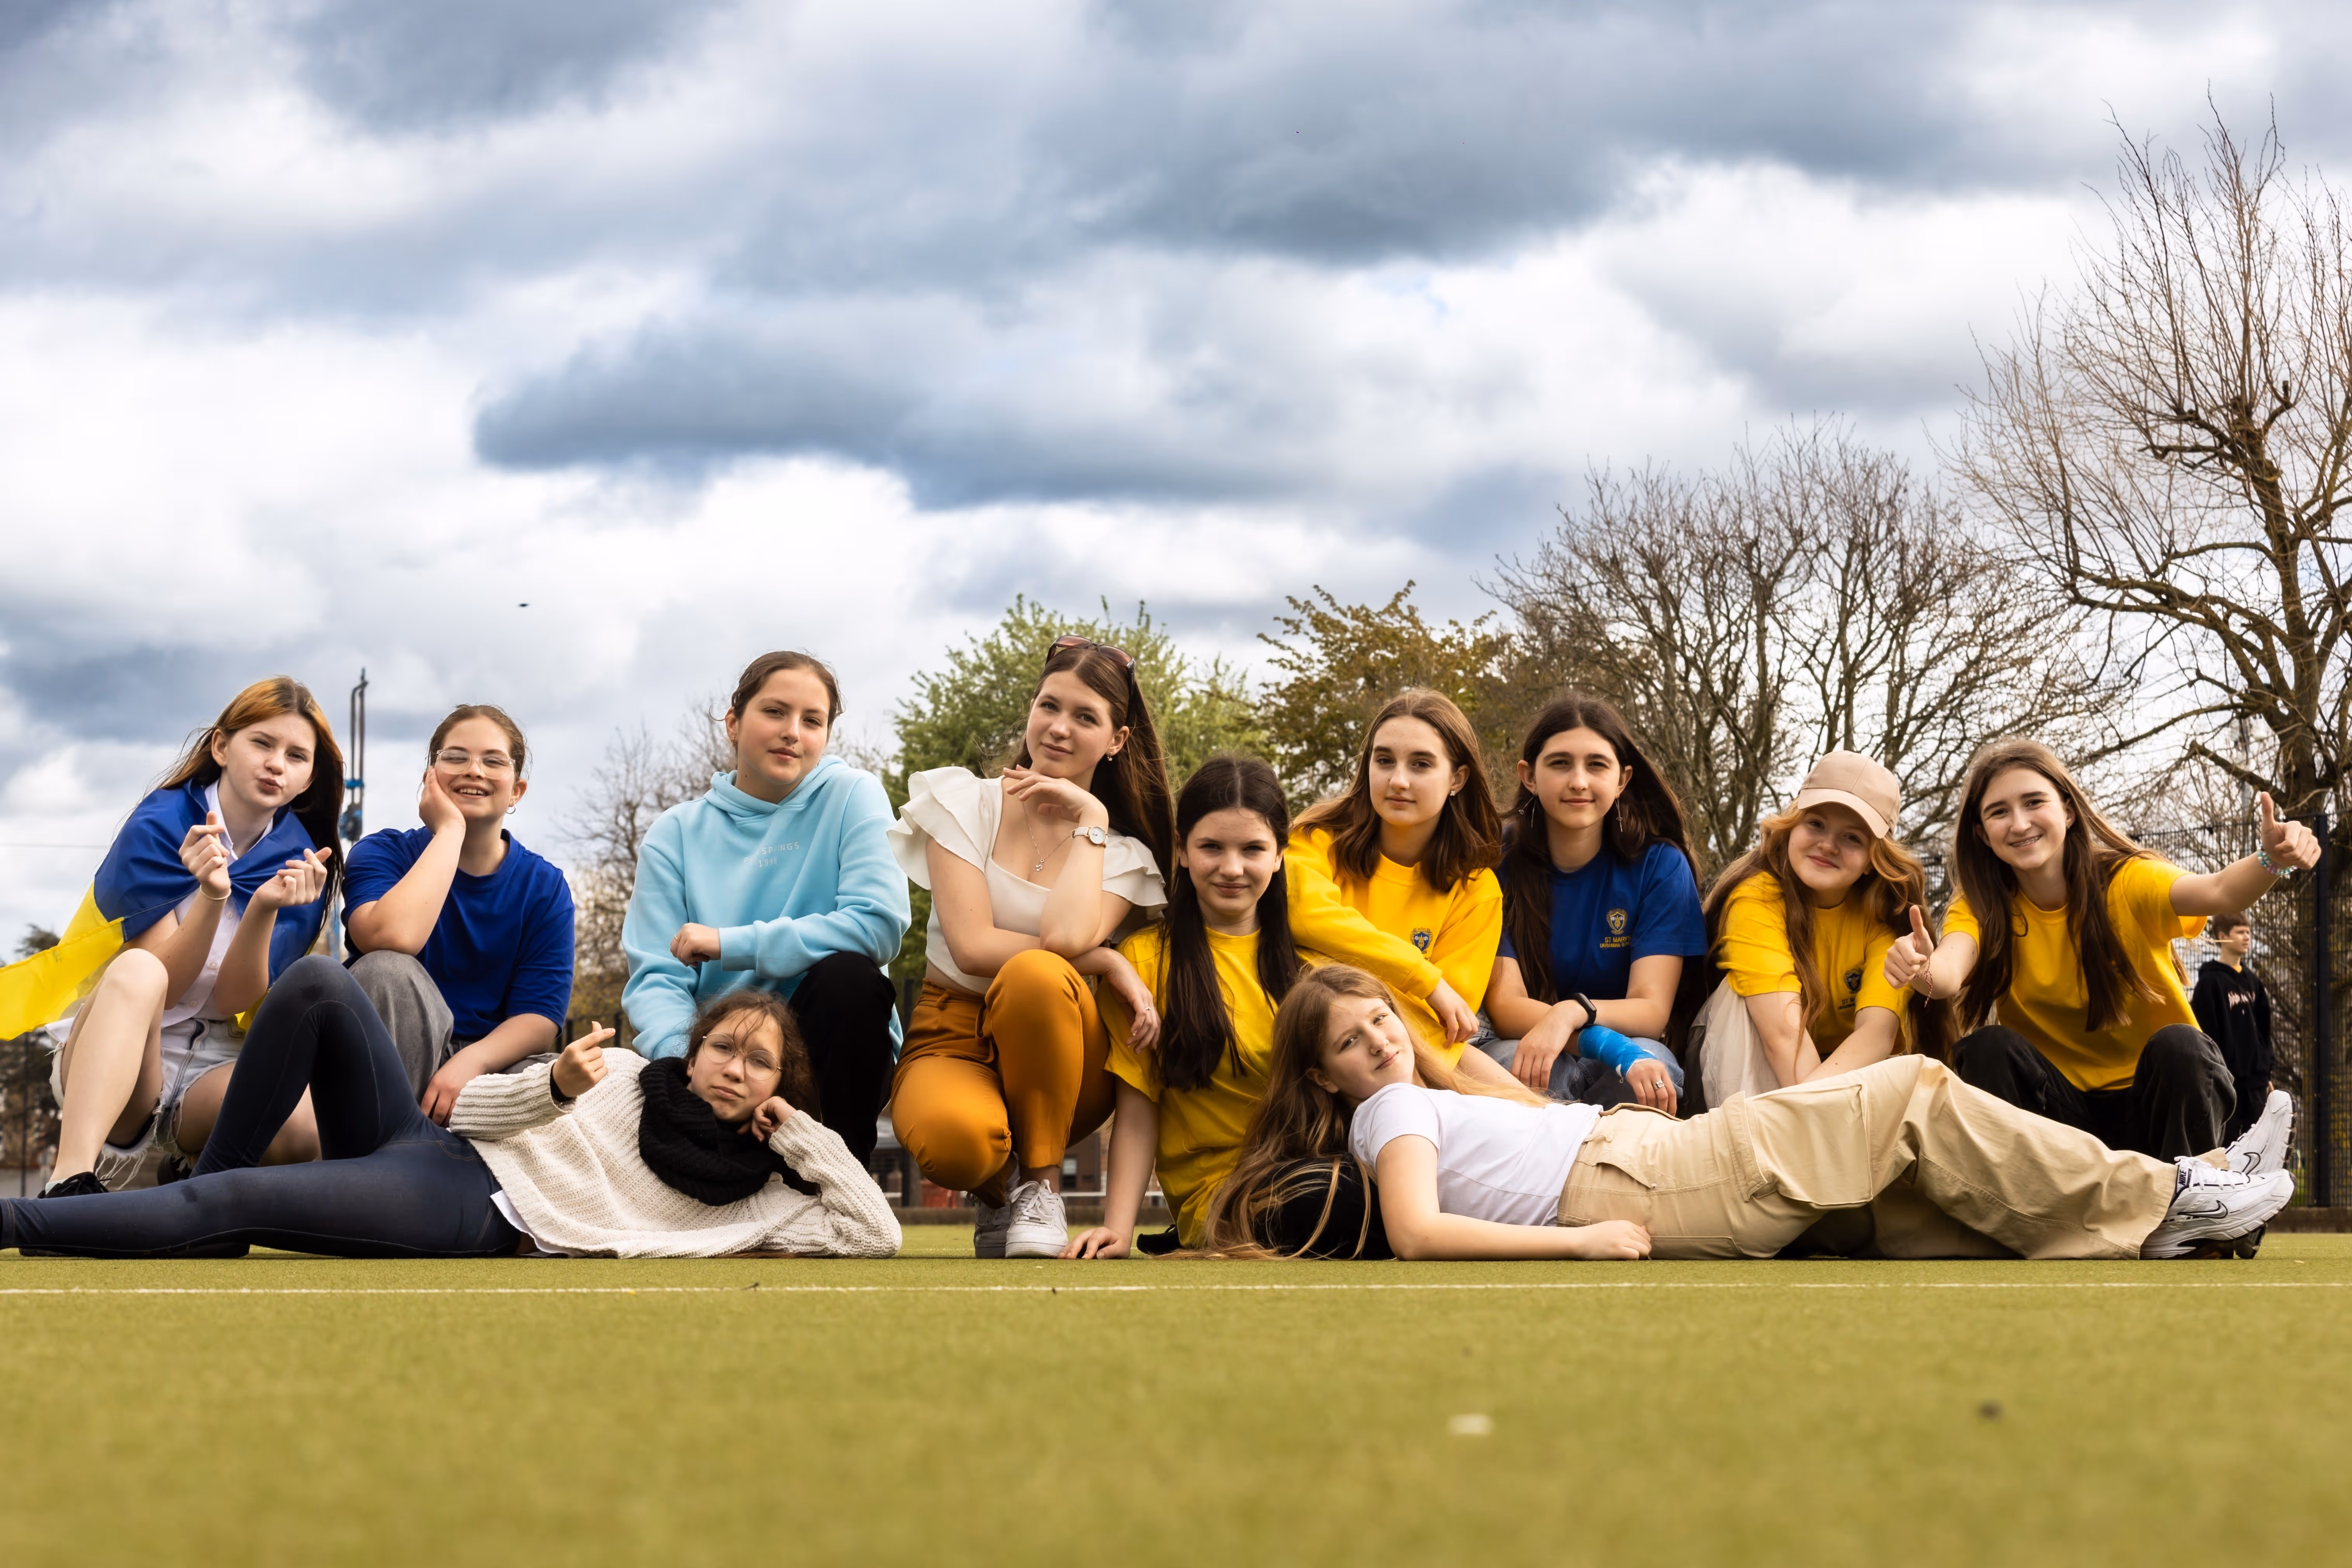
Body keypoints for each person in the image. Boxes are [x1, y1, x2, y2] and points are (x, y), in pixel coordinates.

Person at [1200, 963, 2294, 1262]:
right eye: (1348, 1042)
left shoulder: (1423, 1084)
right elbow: (1413, 1231)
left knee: (1913, 1201)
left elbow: (1505, 1095)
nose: (1378, 1042)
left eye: (1378, 1020)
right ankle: (2178, 1187)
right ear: (1324, 1077)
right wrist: (1578, 1242)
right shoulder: (1387, 1111)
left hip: (1648, 1157)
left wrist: (1433, 1041)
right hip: (1628, 1180)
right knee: (1910, 1089)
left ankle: (2171, 1224)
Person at [2, 957, 899, 1259]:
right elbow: (468, 1112)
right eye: (724, 1047)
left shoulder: (761, 1195)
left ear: (778, 1086)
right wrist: (554, 1086)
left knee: (228, 1199)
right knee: (315, 983)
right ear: (694, 1051)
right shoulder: (626, 1072)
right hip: (438, 1149)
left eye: (758, 1061)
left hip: (479, 1210)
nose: (735, 1067)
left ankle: (19, 1223)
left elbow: (876, 1233)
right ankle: (215, 1211)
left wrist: (803, 1136)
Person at [1883, 738, 2317, 1162]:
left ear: (2068, 810)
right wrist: (1920, 967)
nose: (2018, 823)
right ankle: (2020, 1203)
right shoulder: (1980, 905)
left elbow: (2220, 891)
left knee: (2182, 1047)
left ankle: (2195, 1192)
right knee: (1986, 1050)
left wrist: (2272, 858)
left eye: (2033, 802)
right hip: (2060, 1120)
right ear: (1981, 834)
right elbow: (1947, 971)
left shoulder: (2127, 880)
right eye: (1998, 812)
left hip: (2158, 1109)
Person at [887, 635, 1173, 1257]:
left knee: (1039, 973)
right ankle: (1000, 1190)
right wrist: (1104, 959)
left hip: (1059, 1049)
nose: (1059, 728)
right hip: (953, 1028)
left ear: (1117, 739)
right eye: (1049, 705)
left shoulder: (1123, 854)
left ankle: (1041, 1188)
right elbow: (971, 946)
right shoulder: (964, 802)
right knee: (956, 1144)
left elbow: (1061, 940)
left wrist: (1091, 820)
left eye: (1085, 717)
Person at [38, 678, 341, 1196]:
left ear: (309, 777)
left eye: (296, 756)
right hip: (124, 1048)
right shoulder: (159, 826)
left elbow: (232, 998)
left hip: (213, 1061)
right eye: (262, 743)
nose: (276, 764)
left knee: (303, 1129)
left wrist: (263, 907)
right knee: (139, 969)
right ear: (221, 746)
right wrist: (211, 896)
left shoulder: (302, 858)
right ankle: (67, 1181)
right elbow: (163, 985)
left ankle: (192, 1171)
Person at [624, 652, 909, 1164]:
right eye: (775, 712)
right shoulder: (675, 833)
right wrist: (691, 1065)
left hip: (827, 1049)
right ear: (733, 723)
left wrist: (729, 943)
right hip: (720, 1064)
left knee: (851, 976)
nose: (792, 732)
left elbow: (877, 925)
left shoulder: (853, 795)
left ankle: (836, 1179)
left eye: (812, 720)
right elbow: (656, 978)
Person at [1063, 754, 1313, 1258]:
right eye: (1211, 847)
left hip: (1317, 1170)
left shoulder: (1312, 965)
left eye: (1252, 849)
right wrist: (1118, 1229)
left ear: (1279, 855)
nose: (1231, 868)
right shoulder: (1143, 963)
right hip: (1223, 1199)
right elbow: (1138, 1110)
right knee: (1338, 1200)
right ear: (1180, 850)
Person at [1478, 694, 1705, 1113]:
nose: (1579, 781)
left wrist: (1571, 1013)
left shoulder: (1660, 864)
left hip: (1629, 1046)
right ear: (1528, 776)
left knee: (1654, 1070)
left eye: (1596, 765)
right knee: (1512, 1064)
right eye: (1560, 763)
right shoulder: (1495, 861)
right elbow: (1506, 1007)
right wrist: (1588, 1036)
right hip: (1528, 1042)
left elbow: (1651, 1009)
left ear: (1622, 780)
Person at [344, 704, 576, 1115]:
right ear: (430, 777)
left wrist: (471, 1062)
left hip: (489, 1064)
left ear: (516, 791)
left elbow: (539, 1015)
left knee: (569, 1083)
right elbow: (388, 938)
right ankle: (389, 1138)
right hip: (389, 1055)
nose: (473, 770)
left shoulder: (545, 886)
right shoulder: (383, 853)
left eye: (493, 761)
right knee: (386, 968)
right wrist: (451, 830)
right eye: (455, 757)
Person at [1694, 751, 1943, 1108]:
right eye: (1815, 824)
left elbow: (1875, 1034)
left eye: (1852, 837)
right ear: (1792, 825)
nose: (1828, 845)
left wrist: (1814, 1112)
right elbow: (1782, 1036)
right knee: (1738, 998)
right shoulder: (1756, 897)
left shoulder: (1884, 921)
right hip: (1744, 1069)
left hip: (1828, 1077)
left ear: (1872, 860)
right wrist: (1814, 1115)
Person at [1284, 689, 1511, 1082]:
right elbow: (1305, 920)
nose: (1398, 780)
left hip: (1404, 1066)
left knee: (1522, 1103)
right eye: (1384, 760)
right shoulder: (1314, 839)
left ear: (1457, 779)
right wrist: (1422, 978)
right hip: (1309, 1059)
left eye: (1421, 764)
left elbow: (1442, 1025)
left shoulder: (1476, 889)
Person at [2190, 912, 2282, 1144]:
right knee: (2226, 1147)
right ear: (2223, 937)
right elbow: (2205, 1035)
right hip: (2226, 1084)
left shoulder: (2254, 982)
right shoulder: (2209, 983)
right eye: (2240, 932)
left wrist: (2267, 1073)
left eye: (2248, 932)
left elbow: (2265, 1031)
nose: (2247, 937)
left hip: (2256, 1083)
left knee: (2259, 1147)